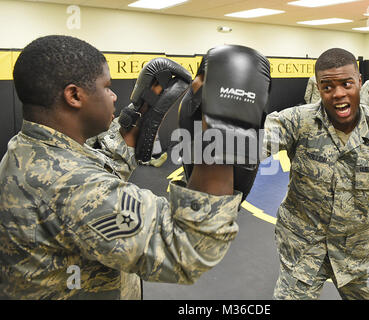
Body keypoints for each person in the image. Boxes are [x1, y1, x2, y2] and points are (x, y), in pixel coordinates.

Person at [0, 35, 242, 299]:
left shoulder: (28, 151)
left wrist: (138, 117)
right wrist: (221, 129)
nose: (114, 96)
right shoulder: (72, 186)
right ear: (74, 95)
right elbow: (189, 247)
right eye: (107, 87)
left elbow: (91, 176)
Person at [263, 48, 369, 300]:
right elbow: (245, 148)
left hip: (360, 257)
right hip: (303, 252)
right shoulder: (297, 121)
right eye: (327, 86)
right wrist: (216, 114)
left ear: (360, 82)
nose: (338, 93)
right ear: (318, 88)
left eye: (346, 83)